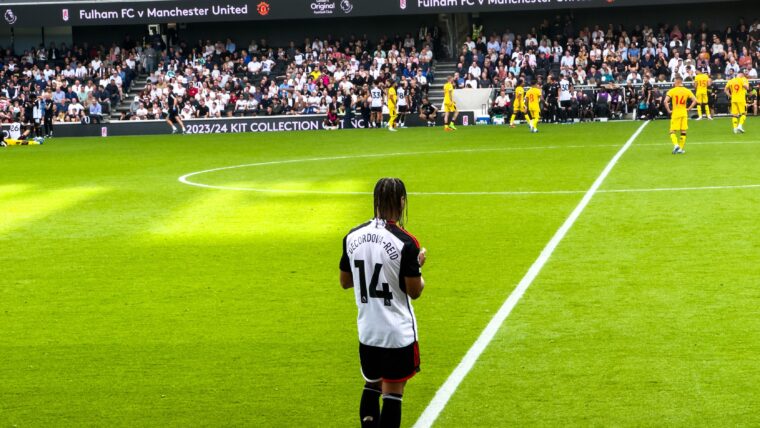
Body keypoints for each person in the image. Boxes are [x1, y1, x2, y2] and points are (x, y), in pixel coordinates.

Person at [339, 177, 427, 428]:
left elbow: (345, 281)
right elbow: (414, 291)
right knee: (392, 392)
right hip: (395, 333)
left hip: (368, 331)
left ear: (375, 202)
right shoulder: (406, 242)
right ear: (401, 202)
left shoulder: (352, 236)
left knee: (372, 384)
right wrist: (417, 270)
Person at [664, 76, 697, 154]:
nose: (673, 83)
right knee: (683, 131)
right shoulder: (687, 91)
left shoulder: (672, 91)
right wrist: (688, 109)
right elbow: (695, 100)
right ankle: (680, 149)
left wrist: (669, 110)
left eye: (674, 81)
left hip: (676, 113)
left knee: (672, 131)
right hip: (684, 113)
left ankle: (676, 145)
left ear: (677, 82)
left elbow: (665, 101)